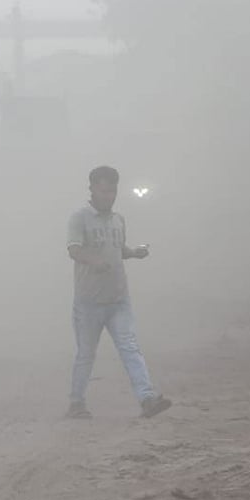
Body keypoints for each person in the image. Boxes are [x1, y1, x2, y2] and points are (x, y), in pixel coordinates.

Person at [66, 166, 171, 420]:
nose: (109, 196)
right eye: (104, 191)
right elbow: (74, 250)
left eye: (112, 191)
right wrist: (94, 261)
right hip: (89, 301)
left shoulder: (118, 219)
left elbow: (118, 249)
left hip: (118, 299)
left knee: (130, 347)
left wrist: (134, 252)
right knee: (86, 354)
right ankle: (76, 402)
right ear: (92, 189)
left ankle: (147, 398)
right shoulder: (80, 217)